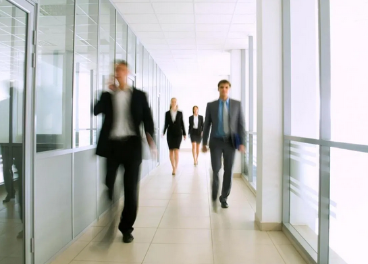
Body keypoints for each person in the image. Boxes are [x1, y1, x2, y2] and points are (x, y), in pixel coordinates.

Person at [94, 60, 155, 243]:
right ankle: (112, 210)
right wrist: (106, 92)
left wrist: (151, 140)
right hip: (112, 146)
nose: (118, 72)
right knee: (109, 184)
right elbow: (95, 111)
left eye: (121, 69)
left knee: (130, 190)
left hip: (132, 146)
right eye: (116, 70)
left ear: (128, 72)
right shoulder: (108, 95)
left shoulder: (139, 95)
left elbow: (148, 119)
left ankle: (126, 227)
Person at [202, 80, 246, 209]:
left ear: (229, 89)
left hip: (230, 143)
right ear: (218, 89)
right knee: (216, 169)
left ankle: (224, 197)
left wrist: (242, 143)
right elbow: (206, 125)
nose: (224, 89)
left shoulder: (236, 105)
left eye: (226, 87)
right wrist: (204, 143)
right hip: (215, 142)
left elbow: (241, 125)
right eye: (222, 87)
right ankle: (215, 192)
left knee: (228, 170)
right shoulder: (211, 105)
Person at [163, 98, 186, 175]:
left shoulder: (180, 113)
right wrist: (163, 132)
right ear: (170, 102)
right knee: (171, 151)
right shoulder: (167, 113)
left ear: (176, 103)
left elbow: (182, 123)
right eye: (172, 102)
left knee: (176, 150)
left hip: (178, 133)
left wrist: (184, 133)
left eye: (175, 102)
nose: (173, 103)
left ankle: (176, 167)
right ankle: (173, 167)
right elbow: (166, 123)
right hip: (170, 134)